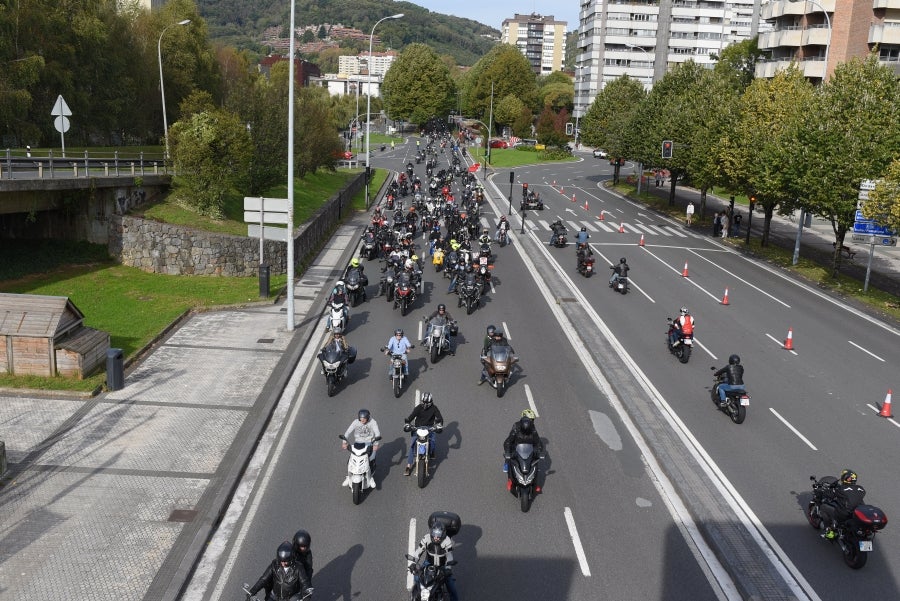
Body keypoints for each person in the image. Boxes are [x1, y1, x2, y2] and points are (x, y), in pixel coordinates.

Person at [246, 541, 311, 601]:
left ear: (291, 558)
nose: (283, 564)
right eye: (281, 561)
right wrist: (252, 592)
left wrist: (307, 595)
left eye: (285, 561)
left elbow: (304, 582)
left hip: (292, 598)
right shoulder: (274, 565)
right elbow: (263, 579)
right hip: (275, 597)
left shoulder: (298, 567)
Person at [412, 522, 458, 601]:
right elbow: (418, 552)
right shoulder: (426, 538)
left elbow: (449, 556)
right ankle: (415, 596)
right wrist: (413, 564)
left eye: (438, 535)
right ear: (431, 532)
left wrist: (448, 568)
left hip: (442, 565)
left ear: (443, 534)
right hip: (428, 563)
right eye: (434, 534)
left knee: (451, 585)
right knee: (417, 577)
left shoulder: (447, 541)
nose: (436, 537)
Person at [403, 392, 445, 475]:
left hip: (429, 428)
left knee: (432, 441)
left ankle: (431, 451)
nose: (425, 404)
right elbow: (411, 416)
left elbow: (440, 418)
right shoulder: (418, 408)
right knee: (412, 445)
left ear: (431, 402)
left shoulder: (434, 408)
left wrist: (439, 425)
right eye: (424, 402)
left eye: (427, 403)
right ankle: (408, 466)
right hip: (418, 428)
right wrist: (407, 423)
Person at [819, 469, 866, 539]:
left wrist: (823, 491)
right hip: (857, 513)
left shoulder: (840, 489)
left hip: (844, 514)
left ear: (845, 478)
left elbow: (829, 494)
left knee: (823, 507)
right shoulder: (861, 489)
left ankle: (829, 531)